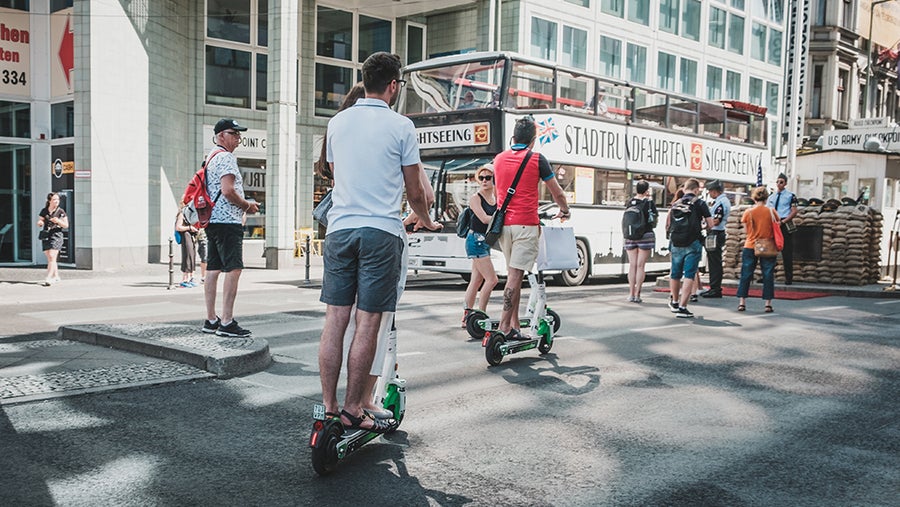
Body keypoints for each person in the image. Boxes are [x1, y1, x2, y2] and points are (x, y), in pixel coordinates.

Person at [319, 52, 438, 433]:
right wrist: (426, 218)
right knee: (367, 321)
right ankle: (355, 407)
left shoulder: (337, 123)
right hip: (380, 232)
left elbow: (339, 178)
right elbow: (415, 188)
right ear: (393, 85)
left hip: (339, 229)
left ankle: (329, 405)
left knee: (335, 319)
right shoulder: (401, 125)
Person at [493, 116, 570, 339]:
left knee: (513, 274)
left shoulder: (498, 159)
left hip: (503, 226)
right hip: (526, 225)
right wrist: (564, 209)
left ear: (513, 138)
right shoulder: (537, 159)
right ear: (533, 141)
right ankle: (504, 327)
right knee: (516, 276)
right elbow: (557, 193)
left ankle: (515, 326)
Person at [200, 118, 259, 337]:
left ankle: (211, 319)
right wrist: (247, 206)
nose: (238, 139)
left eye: (238, 135)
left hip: (213, 221)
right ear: (221, 135)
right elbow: (227, 190)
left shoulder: (211, 158)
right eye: (234, 134)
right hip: (228, 222)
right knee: (234, 269)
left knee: (213, 269)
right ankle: (226, 321)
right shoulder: (225, 157)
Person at [667, 179, 714, 318]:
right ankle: (683, 307)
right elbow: (710, 224)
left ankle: (674, 302)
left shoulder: (675, 204)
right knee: (689, 274)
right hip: (693, 242)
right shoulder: (699, 203)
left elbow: (669, 223)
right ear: (696, 190)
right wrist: (703, 226)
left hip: (676, 242)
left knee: (675, 273)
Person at [462, 165, 499, 324]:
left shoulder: (494, 198)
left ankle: (467, 318)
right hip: (475, 240)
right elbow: (484, 219)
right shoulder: (475, 198)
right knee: (492, 280)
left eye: (488, 178)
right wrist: (502, 218)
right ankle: (481, 314)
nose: (484, 181)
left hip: (484, 240)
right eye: (481, 178)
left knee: (476, 281)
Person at [737, 186, 777, 313]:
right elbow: (777, 225)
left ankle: (742, 302)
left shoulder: (748, 212)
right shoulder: (771, 211)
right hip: (767, 245)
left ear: (754, 197)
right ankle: (767, 304)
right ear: (766, 198)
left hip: (750, 245)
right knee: (768, 274)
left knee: (746, 274)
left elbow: (745, 231)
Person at [624, 180, 658, 303]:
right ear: (647, 190)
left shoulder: (630, 202)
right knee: (640, 266)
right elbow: (654, 220)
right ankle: (638, 294)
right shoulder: (649, 203)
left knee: (632, 265)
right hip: (645, 235)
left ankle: (630, 294)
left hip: (630, 236)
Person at [766, 173, 799, 285]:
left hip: (784, 222)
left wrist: (783, 221)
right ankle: (768, 275)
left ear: (785, 183)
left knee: (787, 251)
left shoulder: (790, 196)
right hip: (773, 223)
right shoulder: (771, 197)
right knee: (770, 250)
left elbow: (794, 211)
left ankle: (788, 277)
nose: (779, 184)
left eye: (781, 182)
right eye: (777, 182)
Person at [701, 179, 731, 298]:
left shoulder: (720, 203)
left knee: (714, 262)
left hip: (716, 233)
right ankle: (714, 287)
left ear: (714, 191)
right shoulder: (722, 201)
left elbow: (716, 220)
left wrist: (705, 225)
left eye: (710, 191)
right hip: (717, 232)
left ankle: (715, 288)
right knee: (714, 261)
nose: (709, 194)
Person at [36, 192, 68, 286]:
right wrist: (40, 223)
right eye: (54, 199)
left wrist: (58, 221)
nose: (56, 201)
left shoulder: (61, 211)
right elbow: (40, 220)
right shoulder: (44, 211)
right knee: (50, 258)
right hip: (46, 235)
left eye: (58, 199)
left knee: (52, 256)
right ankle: (56, 275)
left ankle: (49, 278)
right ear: (49, 201)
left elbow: (66, 225)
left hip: (57, 234)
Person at [175, 209, 199, 287]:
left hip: (190, 236)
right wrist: (189, 228)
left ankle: (190, 278)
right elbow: (178, 227)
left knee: (192, 255)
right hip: (185, 236)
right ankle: (185, 279)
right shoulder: (182, 214)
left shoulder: (190, 215)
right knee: (187, 256)